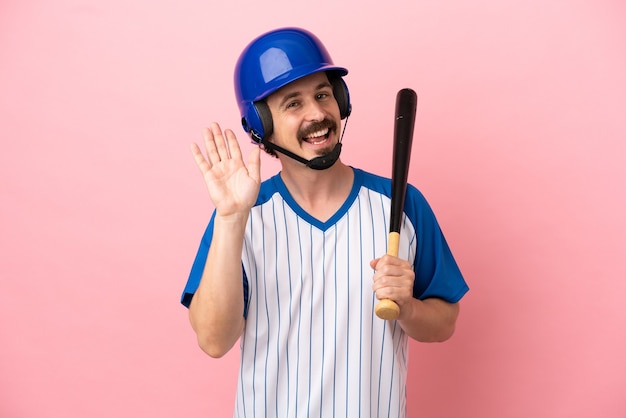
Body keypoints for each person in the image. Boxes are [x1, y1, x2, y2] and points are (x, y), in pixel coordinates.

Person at [181, 27, 469, 417]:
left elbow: (445, 322)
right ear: (261, 125)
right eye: (293, 103)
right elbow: (214, 341)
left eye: (322, 94)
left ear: (341, 99)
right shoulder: (241, 215)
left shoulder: (400, 204)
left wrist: (409, 309)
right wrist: (231, 218)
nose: (317, 114)